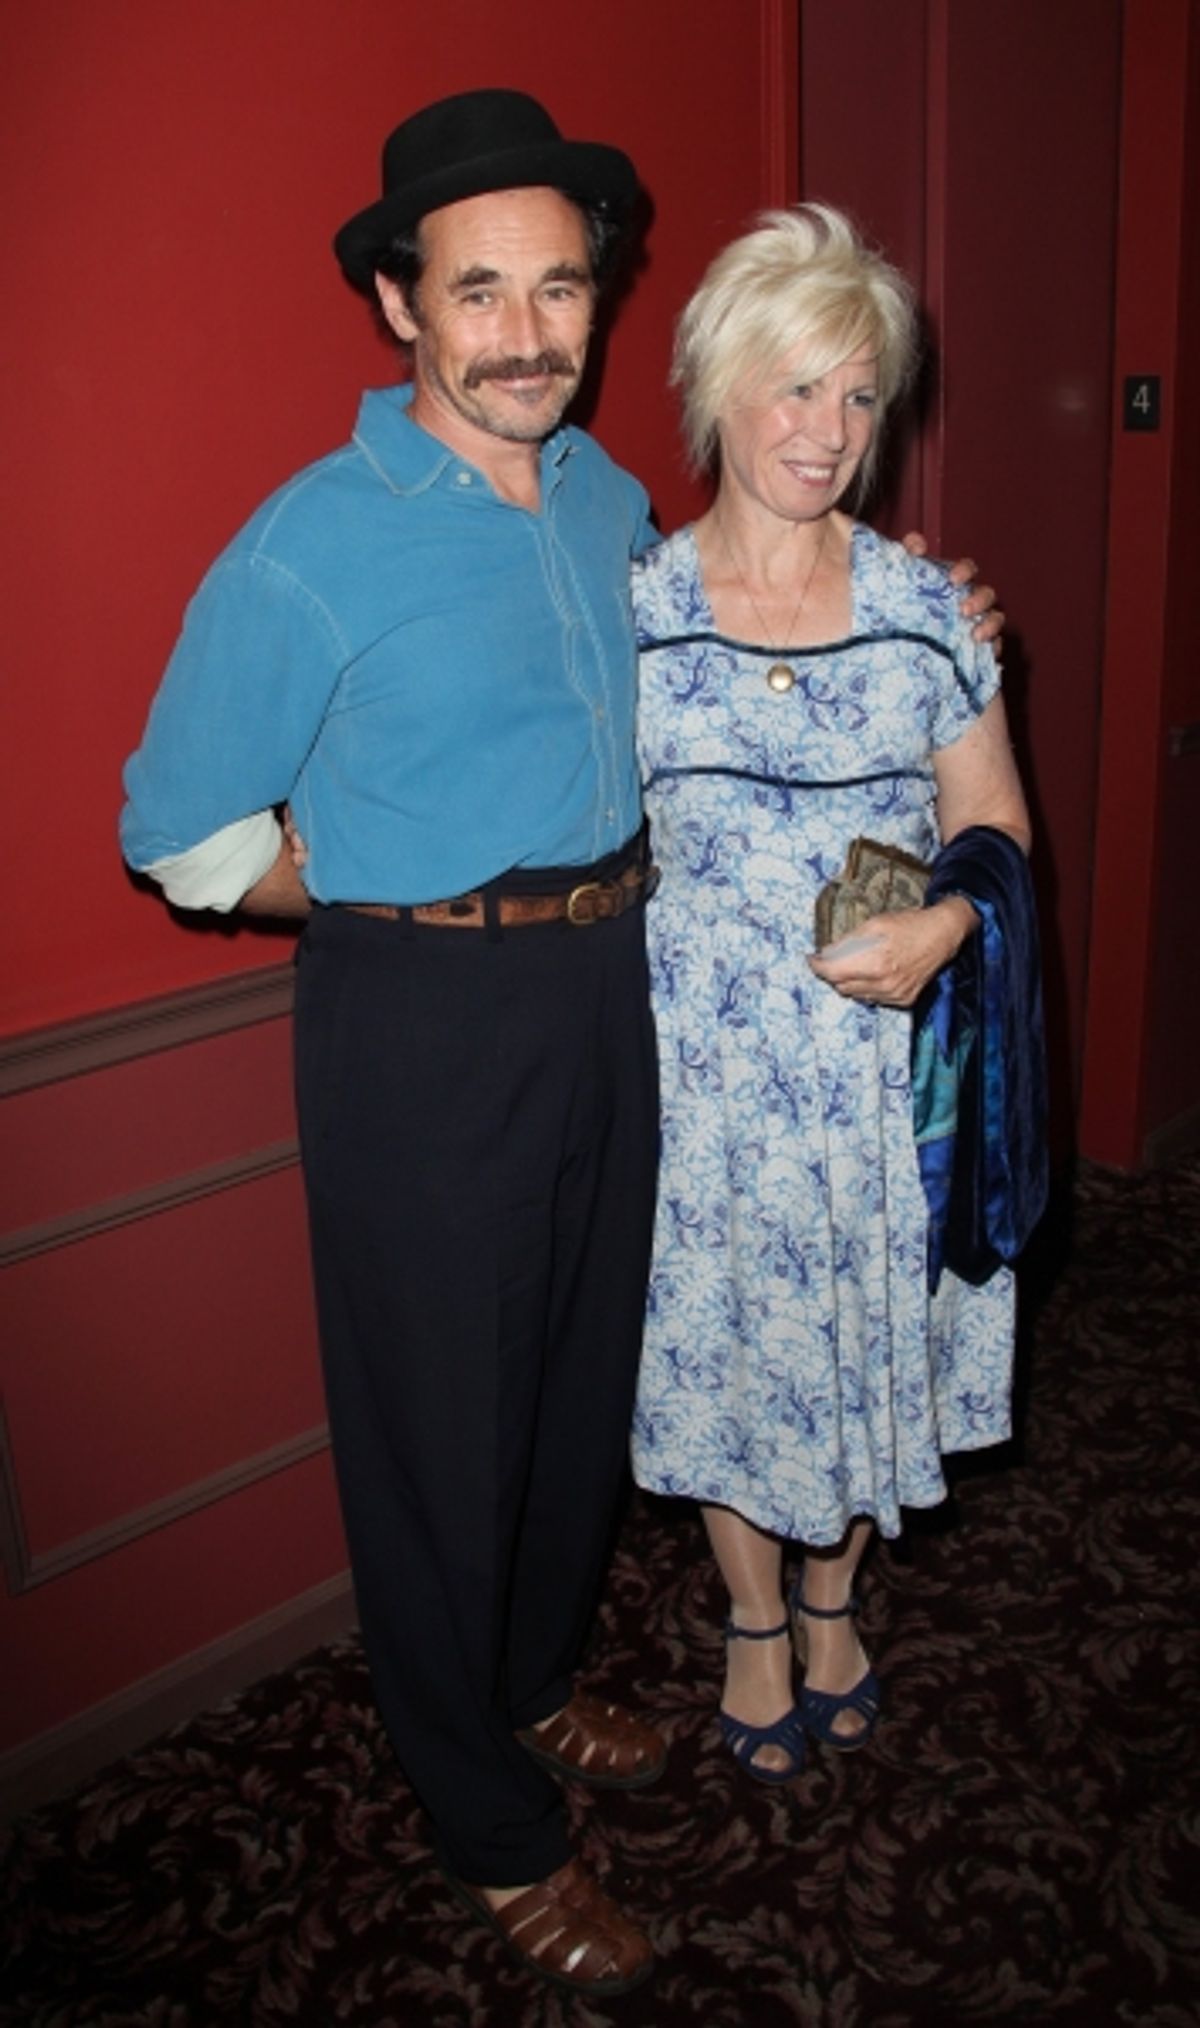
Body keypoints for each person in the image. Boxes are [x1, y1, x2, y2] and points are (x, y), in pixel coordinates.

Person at [121, 97, 999, 1996]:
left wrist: (939, 612)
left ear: (601, 310)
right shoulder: (311, 541)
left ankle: (526, 1684)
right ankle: (485, 1820)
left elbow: (786, 598)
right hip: (422, 1015)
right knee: (438, 1431)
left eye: (561, 288)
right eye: (477, 289)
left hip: (625, 992)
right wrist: (384, 888)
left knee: (579, 1387)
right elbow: (179, 837)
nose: (524, 330)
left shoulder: (608, 505)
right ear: (397, 304)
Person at [629, 205, 1037, 1783]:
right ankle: (749, 1617)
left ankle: (832, 1592)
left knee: (869, 1350)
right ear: (719, 388)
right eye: (796, 388)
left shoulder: (930, 609)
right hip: (698, 1093)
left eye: (860, 396)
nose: (830, 433)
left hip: (882, 1092)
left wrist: (946, 926)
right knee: (722, 1361)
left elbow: (996, 826)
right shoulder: (638, 618)